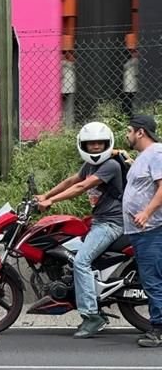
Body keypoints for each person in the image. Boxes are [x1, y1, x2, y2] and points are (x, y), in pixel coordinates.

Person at [33, 121, 125, 337]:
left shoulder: (111, 165)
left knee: (81, 261)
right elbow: (72, 180)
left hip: (112, 223)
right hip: (99, 221)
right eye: (90, 144)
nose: (95, 147)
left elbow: (82, 187)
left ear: (107, 144)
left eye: (99, 143)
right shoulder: (90, 166)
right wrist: (45, 195)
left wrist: (51, 202)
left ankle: (92, 317)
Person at [121, 115, 162, 348]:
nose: (126, 135)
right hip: (140, 231)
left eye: (129, 131)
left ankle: (158, 329)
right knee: (151, 278)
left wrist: (146, 213)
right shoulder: (143, 156)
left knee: (153, 280)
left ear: (140, 132)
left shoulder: (156, 153)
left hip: (151, 229)